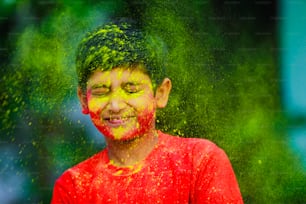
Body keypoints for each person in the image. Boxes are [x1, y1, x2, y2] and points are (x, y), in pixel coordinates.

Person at [51, 19, 243, 203]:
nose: (116, 105)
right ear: (84, 100)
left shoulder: (199, 162)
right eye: (101, 92)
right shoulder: (75, 186)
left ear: (160, 93)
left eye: (131, 89)